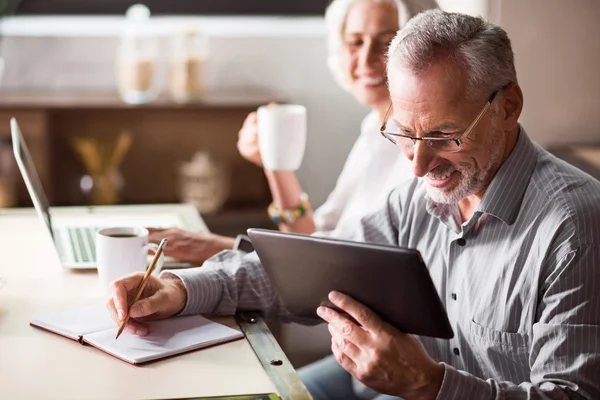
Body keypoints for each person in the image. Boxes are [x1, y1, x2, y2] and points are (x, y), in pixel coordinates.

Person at [107, 9, 600, 400]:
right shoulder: (416, 198)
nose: (418, 165)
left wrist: (430, 386)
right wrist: (179, 288)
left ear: (508, 106)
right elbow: (314, 272)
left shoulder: (575, 226)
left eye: (446, 137)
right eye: (404, 134)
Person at [147, 0, 438, 265]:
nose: (364, 60)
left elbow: (326, 263)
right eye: (355, 42)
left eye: (387, 42)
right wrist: (274, 163)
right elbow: (312, 237)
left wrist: (219, 248)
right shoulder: (375, 129)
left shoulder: (420, 151)